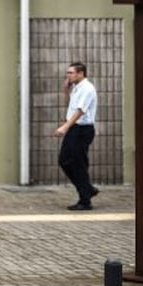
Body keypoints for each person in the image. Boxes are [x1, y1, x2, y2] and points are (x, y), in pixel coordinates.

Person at [53, 61, 99, 210]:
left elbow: (80, 111)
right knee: (64, 160)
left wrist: (65, 127)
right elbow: (71, 106)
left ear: (81, 73)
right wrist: (66, 90)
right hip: (74, 129)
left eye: (71, 73)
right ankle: (87, 189)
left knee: (77, 163)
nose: (68, 75)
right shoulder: (76, 88)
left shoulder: (87, 88)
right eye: (68, 73)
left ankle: (85, 200)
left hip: (82, 130)